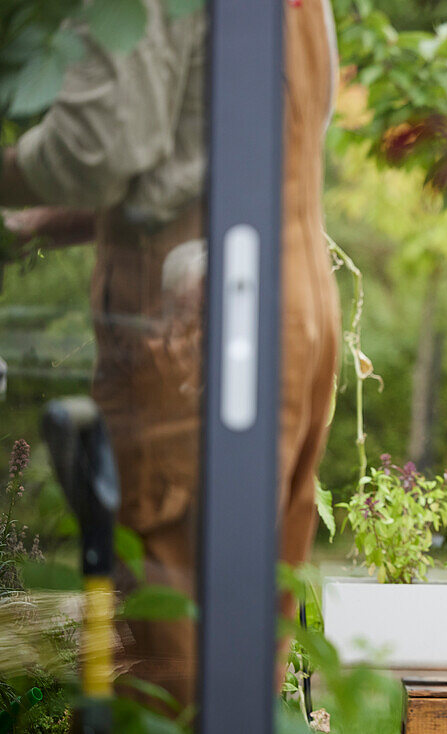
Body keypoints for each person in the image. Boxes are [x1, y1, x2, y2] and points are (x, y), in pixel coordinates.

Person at [0, 0, 340, 709]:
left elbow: (94, 151)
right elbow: (202, 153)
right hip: (291, 291)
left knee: (170, 668)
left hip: (192, 313)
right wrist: (34, 223)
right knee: (241, 660)